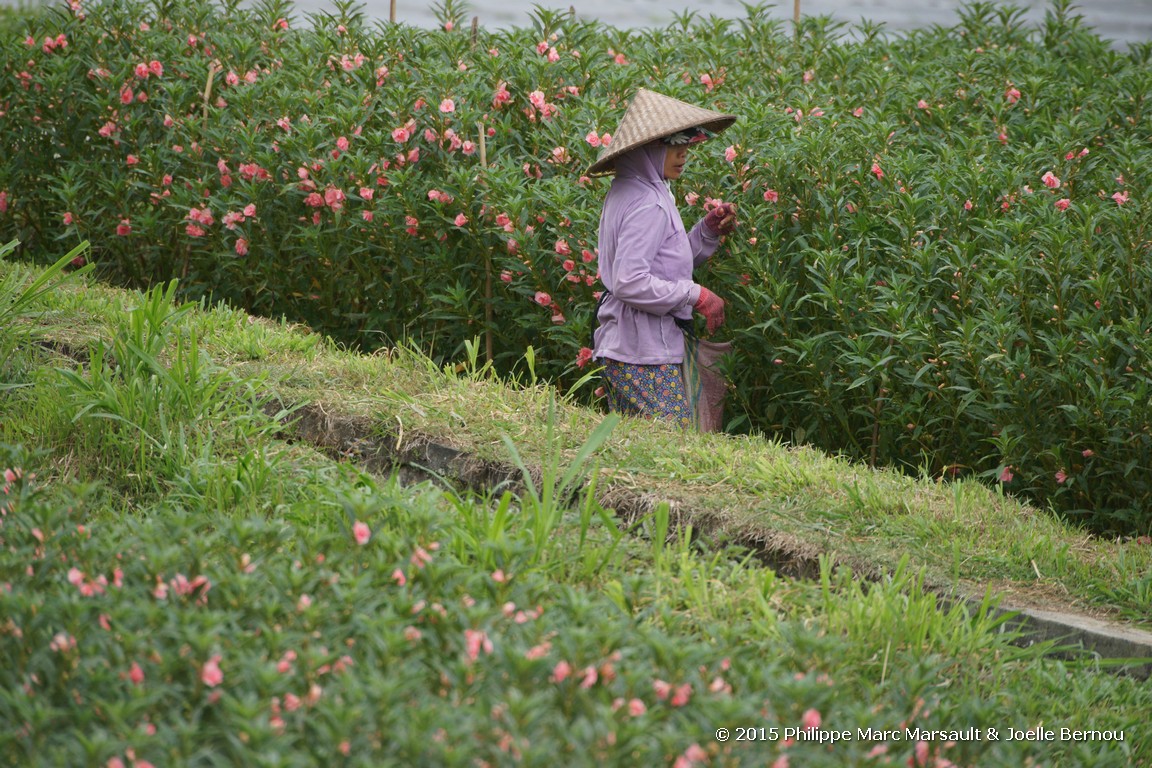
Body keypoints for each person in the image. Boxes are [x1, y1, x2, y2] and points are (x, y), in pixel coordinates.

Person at [587, 88, 740, 429]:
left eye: (687, 142)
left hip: (628, 347)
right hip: (643, 354)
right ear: (647, 147)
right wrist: (694, 294)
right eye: (673, 143)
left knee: (640, 449)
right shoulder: (648, 203)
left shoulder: (635, 188)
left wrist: (707, 231)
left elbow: (665, 262)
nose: (684, 152)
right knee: (674, 445)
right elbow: (630, 281)